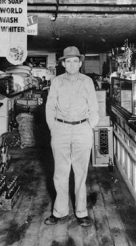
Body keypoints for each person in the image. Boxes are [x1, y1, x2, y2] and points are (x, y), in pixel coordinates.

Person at [44, 46, 99, 227]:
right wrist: (54, 128)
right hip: (60, 129)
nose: (72, 64)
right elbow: (50, 107)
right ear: (63, 64)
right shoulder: (56, 82)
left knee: (81, 173)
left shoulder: (88, 81)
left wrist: (88, 127)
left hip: (82, 129)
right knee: (60, 173)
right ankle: (59, 212)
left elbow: (94, 107)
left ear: (80, 63)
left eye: (75, 61)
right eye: (68, 61)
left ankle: (81, 212)